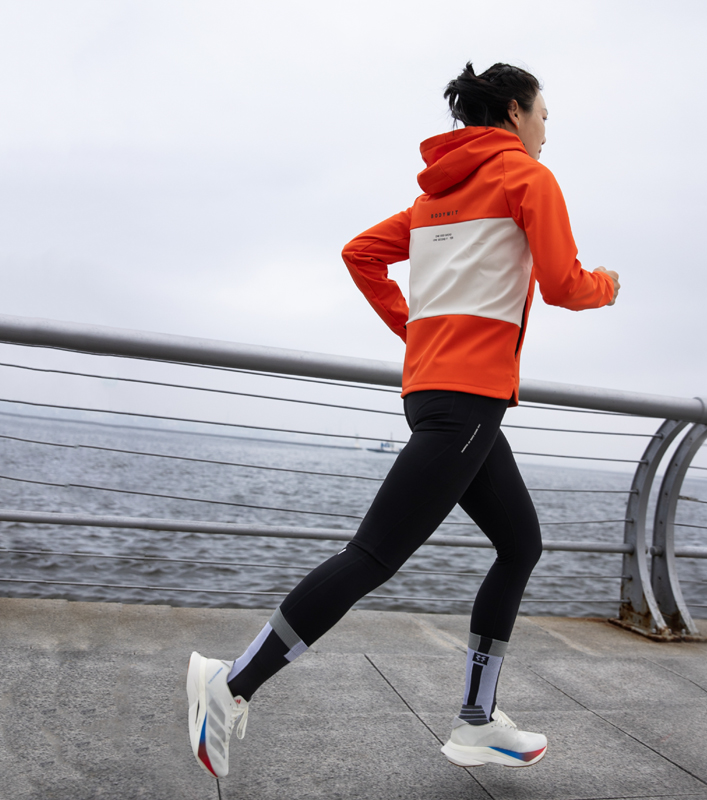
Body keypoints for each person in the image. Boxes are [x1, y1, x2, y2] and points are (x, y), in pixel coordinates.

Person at [187, 61, 620, 779]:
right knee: (373, 557)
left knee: (520, 543)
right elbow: (565, 286)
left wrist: (420, 335)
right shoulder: (526, 180)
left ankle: (478, 721)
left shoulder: (433, 200)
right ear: (515, 111)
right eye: (544, 116)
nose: (547, 133)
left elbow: (362, 256)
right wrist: (609, 286)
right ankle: (230, 686)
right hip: (468, 403)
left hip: (435, 395)